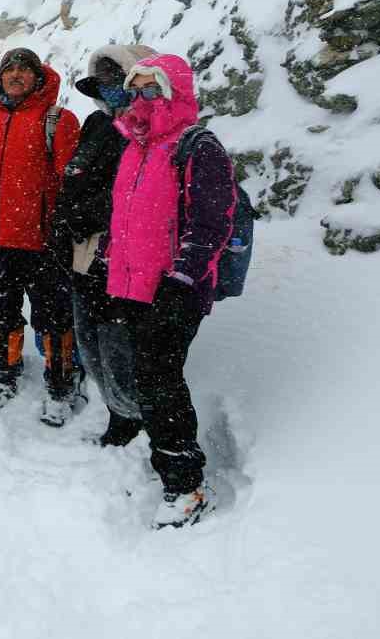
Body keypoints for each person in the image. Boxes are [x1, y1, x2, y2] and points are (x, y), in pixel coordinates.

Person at [107, 54, 234, 528]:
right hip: (136, 287)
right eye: (134, 91)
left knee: (161, 380)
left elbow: (212, 221)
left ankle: (185, 484)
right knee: (150, 378)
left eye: (151, 90)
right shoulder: (136, 147)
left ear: (174, 92)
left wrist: (182, 279)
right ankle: (169, 460)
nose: (140, 100)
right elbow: (125, 223)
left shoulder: (196, 147)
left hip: (174, 290)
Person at [0, 47, 82, 419]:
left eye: (24, 70)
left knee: (53, 317)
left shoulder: (58, 121)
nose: (16, 76)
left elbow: (69, 182)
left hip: (43, 243)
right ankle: (6, 374)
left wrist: (61, 225)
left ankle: (60, 384)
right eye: (10, 70)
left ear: (38, 77)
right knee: (0, 312)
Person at [53, 44, 157, 445]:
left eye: (119, 78)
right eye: (105, 81)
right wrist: (65, 220)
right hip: (84, 254)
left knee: (120, 345)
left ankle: (141, 423)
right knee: (90, 342)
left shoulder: (150, 129)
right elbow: (75, 175)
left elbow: (143, 192)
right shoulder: (97, 124)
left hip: (124, 258)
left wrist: (92, 212)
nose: (111, 88)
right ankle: (119, 415)